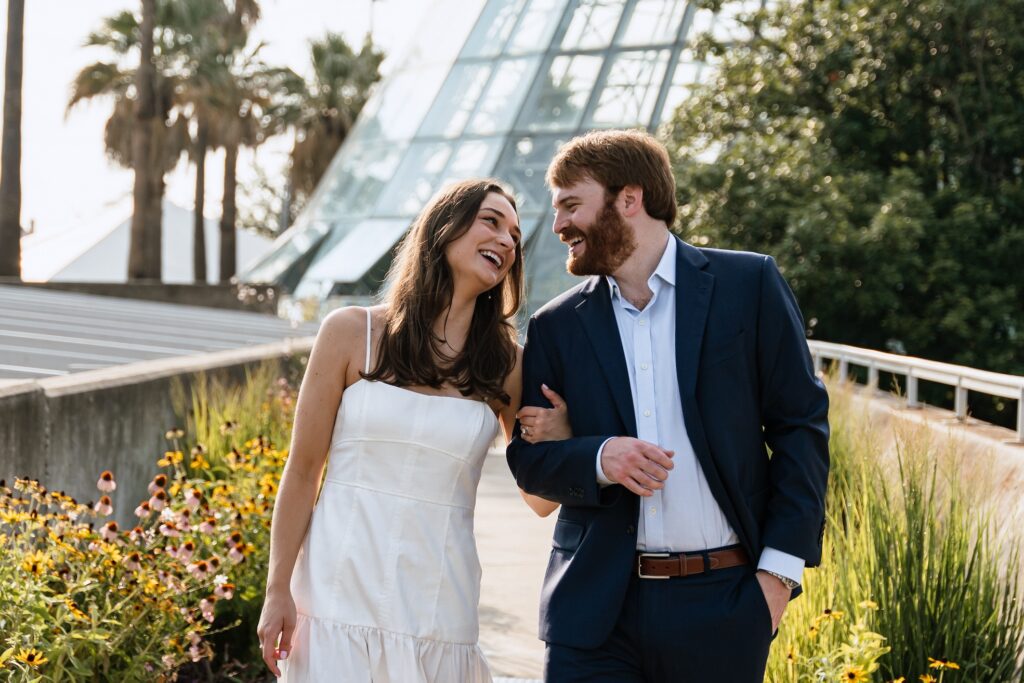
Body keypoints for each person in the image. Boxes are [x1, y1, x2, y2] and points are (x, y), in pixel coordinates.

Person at [507, 129, 830, 682]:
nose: (558, 225)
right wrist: (598, 456)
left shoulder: (748, 284)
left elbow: (801, 426)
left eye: (570, 205)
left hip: (724, 607)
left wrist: (776, 579)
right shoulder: (555, 325)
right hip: (592, 617)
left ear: (628, 199)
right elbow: (530, 463)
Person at [257, 179, 563, 682]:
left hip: (439, 603)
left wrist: (560, 431)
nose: (508, 241)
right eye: (492, 221)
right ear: (443, 228)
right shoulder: (351, 332)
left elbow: (539, 498)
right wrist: (277, 589)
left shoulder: (507, 363)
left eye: (515, 234)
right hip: (335, 593)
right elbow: (304, 469)